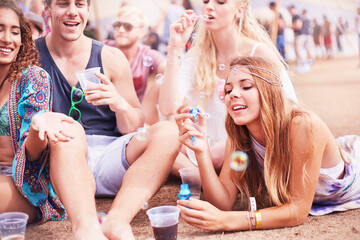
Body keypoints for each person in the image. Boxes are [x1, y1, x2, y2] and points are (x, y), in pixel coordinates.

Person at [36, 0, 181, 239]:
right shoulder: (31, 56)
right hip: (63, 160)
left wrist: (120, 105)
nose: (73, 11)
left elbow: (134, 125)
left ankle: (117, 220)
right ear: (47, 8)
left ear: (88, 9)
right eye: (63, 3)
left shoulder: (111, 57)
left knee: (168, 132)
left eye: (80, 4)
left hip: (110, 157)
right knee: (70, 130)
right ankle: (86, 228)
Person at [175, 56, 360, 231]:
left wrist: (229, 221)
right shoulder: (239, 133)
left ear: (268, 90)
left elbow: (297, 211)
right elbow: (223, 203)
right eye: (228, 90)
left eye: (246, 86)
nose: (233, 94)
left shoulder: (302, 124)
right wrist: (202, 151)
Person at [159, 0, 297, 175]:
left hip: (246, 146)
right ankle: (202, 175)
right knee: (162, 142)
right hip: (206, 147)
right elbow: (167, 107)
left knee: (217, 153)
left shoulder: (259, 53)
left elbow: (290, 106)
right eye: (206, 1)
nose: (209, 6)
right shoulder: (196, 56)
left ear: (239, 10)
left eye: (220, 2)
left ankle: (197, 174)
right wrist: (175, 49)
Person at [0, 0, 78, 228]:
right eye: (0, 29)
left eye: (15, 32)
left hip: (21, 184)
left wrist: (36, 126)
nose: (7, 38)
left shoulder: (34, 79)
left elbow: (33, 154)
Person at [104, 5, 166, 125]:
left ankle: (148, 128)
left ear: (142, 32)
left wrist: (175, 49)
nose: (121, 30)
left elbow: (167, 68)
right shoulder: (103, 49)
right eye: (117, 25)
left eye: (128, 26)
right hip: (105, 115)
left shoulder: (146, 53)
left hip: (134, 117)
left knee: (161, 85)